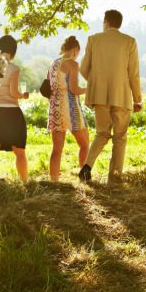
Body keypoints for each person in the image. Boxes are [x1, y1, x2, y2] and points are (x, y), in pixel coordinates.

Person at [78, 9, 142, 185]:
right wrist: (137, 98)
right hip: (121, 95)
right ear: (119, 24)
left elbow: (83, 69)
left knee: (101, 133)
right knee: (120, 137)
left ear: (105, 22)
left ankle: (87, 166)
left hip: (99, 95)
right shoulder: (129, 42)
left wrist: (96, 82)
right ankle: (114, 178)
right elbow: (133, 73)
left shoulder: (93, 39)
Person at [0, 35, 30, 182]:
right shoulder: (13, 68)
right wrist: (23, 95)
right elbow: (13, 93)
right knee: (19, 151)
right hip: (10, 113)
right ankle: (24, 182)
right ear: (13, 51)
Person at [48, 36, 89, 182]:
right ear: (76, 50)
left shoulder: (53, 63)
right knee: (84, 144)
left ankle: (53, 181)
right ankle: (84, 179)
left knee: (57, 149)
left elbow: (49, 86)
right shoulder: (72, 64)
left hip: (55, 108)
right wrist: (89, 89)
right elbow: (74, 89)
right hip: (71, 108)